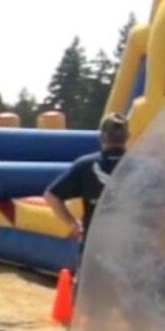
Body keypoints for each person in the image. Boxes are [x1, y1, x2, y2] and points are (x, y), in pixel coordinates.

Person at [43, 112, 129, 276]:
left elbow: (51, 195)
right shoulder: (143, 166)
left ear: (102, 136)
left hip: (94, 249)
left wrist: (73, 224)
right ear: (127, 136)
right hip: (132, 250)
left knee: (90, 299)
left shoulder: (86, 165)